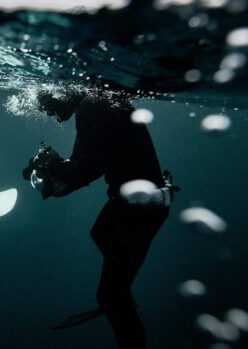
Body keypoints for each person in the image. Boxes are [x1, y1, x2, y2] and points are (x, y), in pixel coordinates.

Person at [22, 89, 177, 349]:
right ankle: (122, 293)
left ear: (60, 92)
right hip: (146, 203)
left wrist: (50, 167)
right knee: (100, 233)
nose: (50, 114)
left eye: (47, 105)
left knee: (109, 295)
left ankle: (120, 303)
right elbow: (96, 159)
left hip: (138, 209)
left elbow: (84, 169)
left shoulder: (91, 106)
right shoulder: (100, 101)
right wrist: (57, 168)